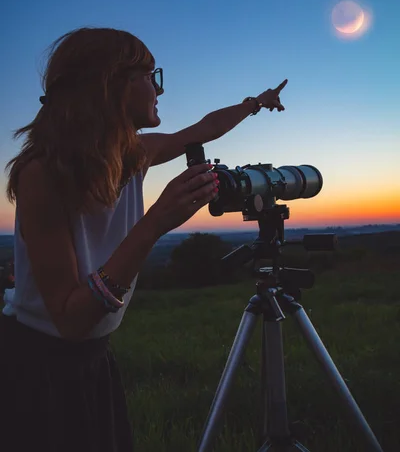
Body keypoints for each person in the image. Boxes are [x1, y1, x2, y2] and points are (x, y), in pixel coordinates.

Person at [0, 27, 287, 452]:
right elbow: (70, 319)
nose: (158, 89)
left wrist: (255, 104)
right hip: (40, 369)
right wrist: (155, 222)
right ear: (109, 83)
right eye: (150, 75)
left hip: (94, 358)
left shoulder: (134, 154)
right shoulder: (42, 175)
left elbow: (205, 127)